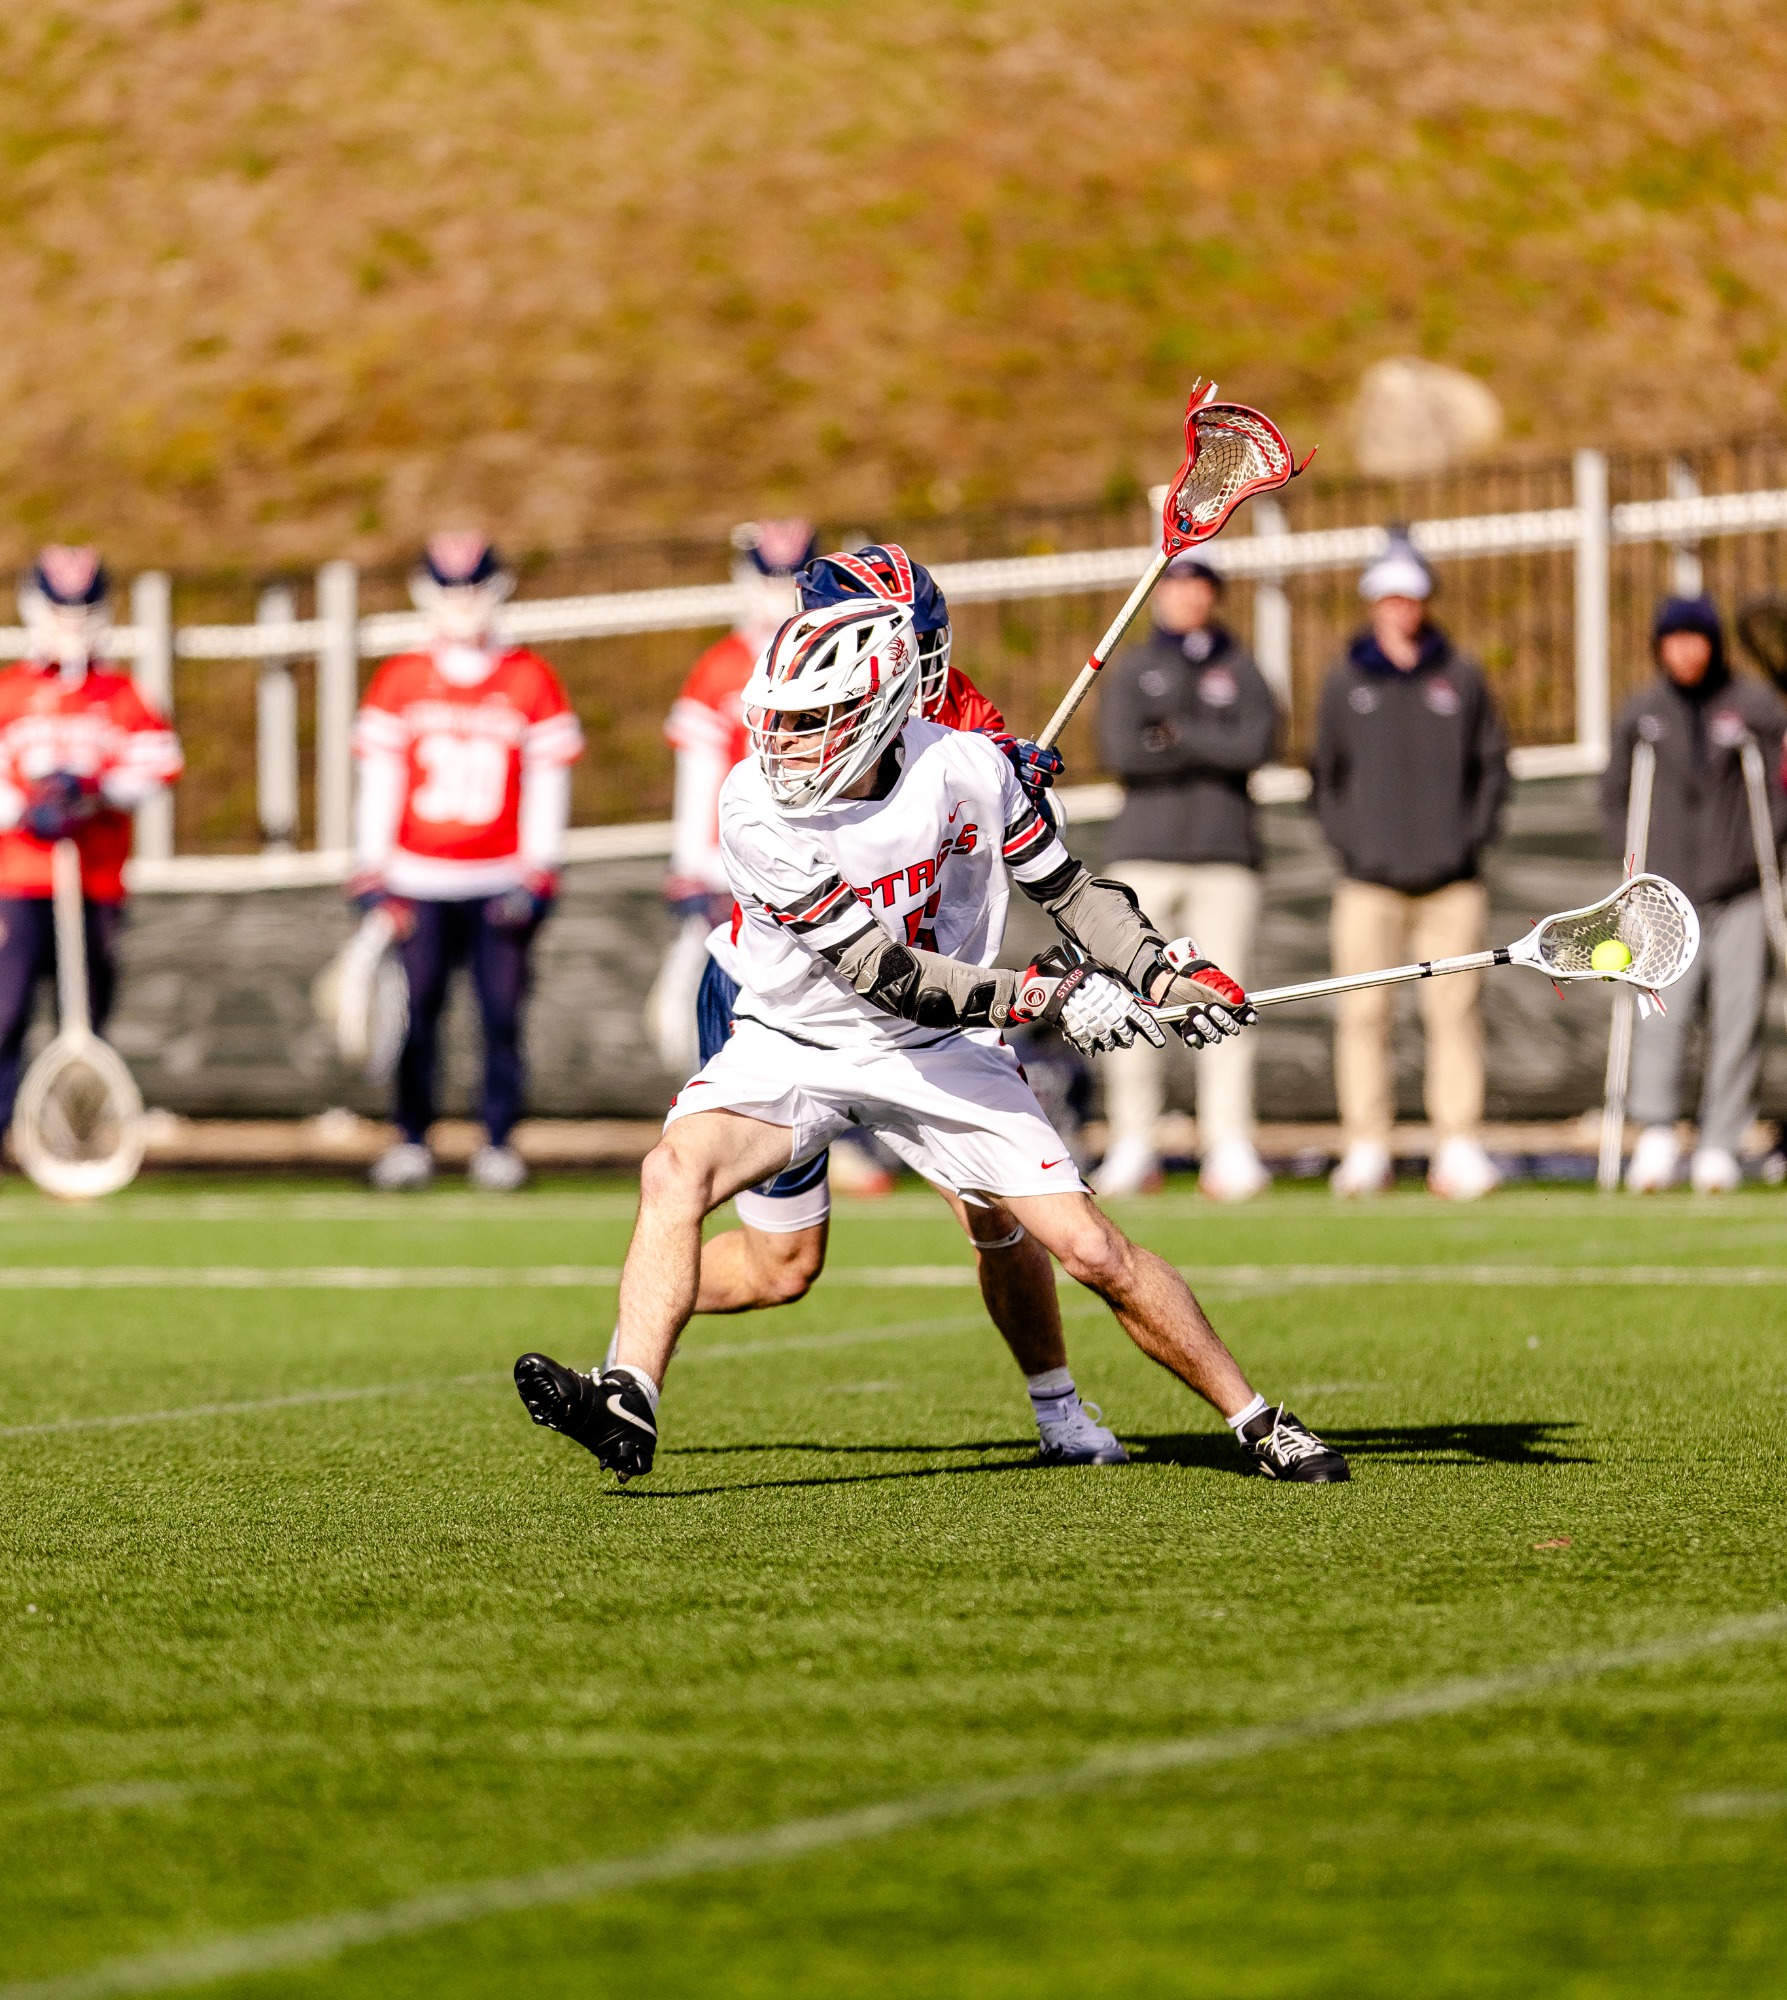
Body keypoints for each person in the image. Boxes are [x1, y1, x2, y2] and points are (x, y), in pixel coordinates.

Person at [515, 595, 1349, 1486]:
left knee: (1089, 1249)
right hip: (796, 1039)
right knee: (673, 1172)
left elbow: (1069, 892)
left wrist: (1158, 973)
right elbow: (885, 975)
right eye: (778, 719)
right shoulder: (753, 807)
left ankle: (1259, 1422)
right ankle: (629, 1393)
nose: (782, 743)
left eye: (810, 721)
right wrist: (1047, 995)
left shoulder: (968, 767)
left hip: (935, 1050)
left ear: (878, 711)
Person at [679, 543, 1121, 1465]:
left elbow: (1025, 844)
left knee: (997, 1211)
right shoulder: (791, 703)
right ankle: (629, 1344)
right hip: (799, 1001)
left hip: (932, 1002)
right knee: (780, 1267)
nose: (921, 662)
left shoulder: (954, 705)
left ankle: (1058, 1411)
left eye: (925, 639)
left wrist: (1023, 786)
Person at [351, 534, 584, 1193]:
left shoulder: (528, 678)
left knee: (501, 1016)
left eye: (473, 588)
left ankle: (499, 1140)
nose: (463, 603)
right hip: (417, 879)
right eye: (451, 589)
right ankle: (410, 1138)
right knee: (414, 1017)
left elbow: (547, 782)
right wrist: (373, 871)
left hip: (498, 878)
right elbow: (378, 783)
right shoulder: (400, 679)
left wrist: (539, 869)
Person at [1310, 532, 1509, 1200]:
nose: (1402, 608)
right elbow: (1325, 775)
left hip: (1452, 884)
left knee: (1455, 1016)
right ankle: (1367, 1145)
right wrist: (1353, 846)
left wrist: (1466, 844)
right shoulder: (1345, 680)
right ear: (1374, 602)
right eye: (1390, 596)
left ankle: (1458, 1143)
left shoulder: (1462, 675)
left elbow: (1491, 768)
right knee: (1363, 1016)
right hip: (1367, 884)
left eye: (1411, 596)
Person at [1093, 553, 1279, 1201]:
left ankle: (1228, 1144)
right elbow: (1121, 751)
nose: (1186, 598)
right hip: (1143, 855)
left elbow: (1254, 746)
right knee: (1130, 1001)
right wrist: (1208, 743)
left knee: (1225, 1000)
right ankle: (1132, 1141)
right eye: (1176, 586)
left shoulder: (1242, 668)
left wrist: (1175, 734)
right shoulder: (1133, 667)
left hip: (1225, 858)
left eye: (1198, 587)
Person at [1605, 594, 1787, 1193]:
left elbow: (1779, 789)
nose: (1686, 651)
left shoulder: (1754, 706)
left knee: (1738, 1017)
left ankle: (1720, 1143)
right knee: (1660, 1013)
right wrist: (1634, 871)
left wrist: (1760, 854)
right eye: (1674, 639)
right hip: (1664, 896)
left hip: (1740, 891)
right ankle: (1656, 1131)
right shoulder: (1642, 712)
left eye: (1697, 638)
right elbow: (1615, 795)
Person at [0, 547, 182, 1134]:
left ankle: (70, 1131)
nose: (72, 627)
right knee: (6, 1008)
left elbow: (158, 765)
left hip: (95, 880)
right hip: (17, 880)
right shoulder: (10, 693)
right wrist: (24, 808)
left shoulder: (121, 694)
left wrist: (95, 789)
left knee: (86, 1009)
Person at [647, 520, 819, 1077]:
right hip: (737, 864)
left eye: (790, 578)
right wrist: (693, 868)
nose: (779, 591)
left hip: (815, 859)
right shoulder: (720, 667)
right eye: (769, 577)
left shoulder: (831, 661)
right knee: (714, 1010)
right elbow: (698, 775)